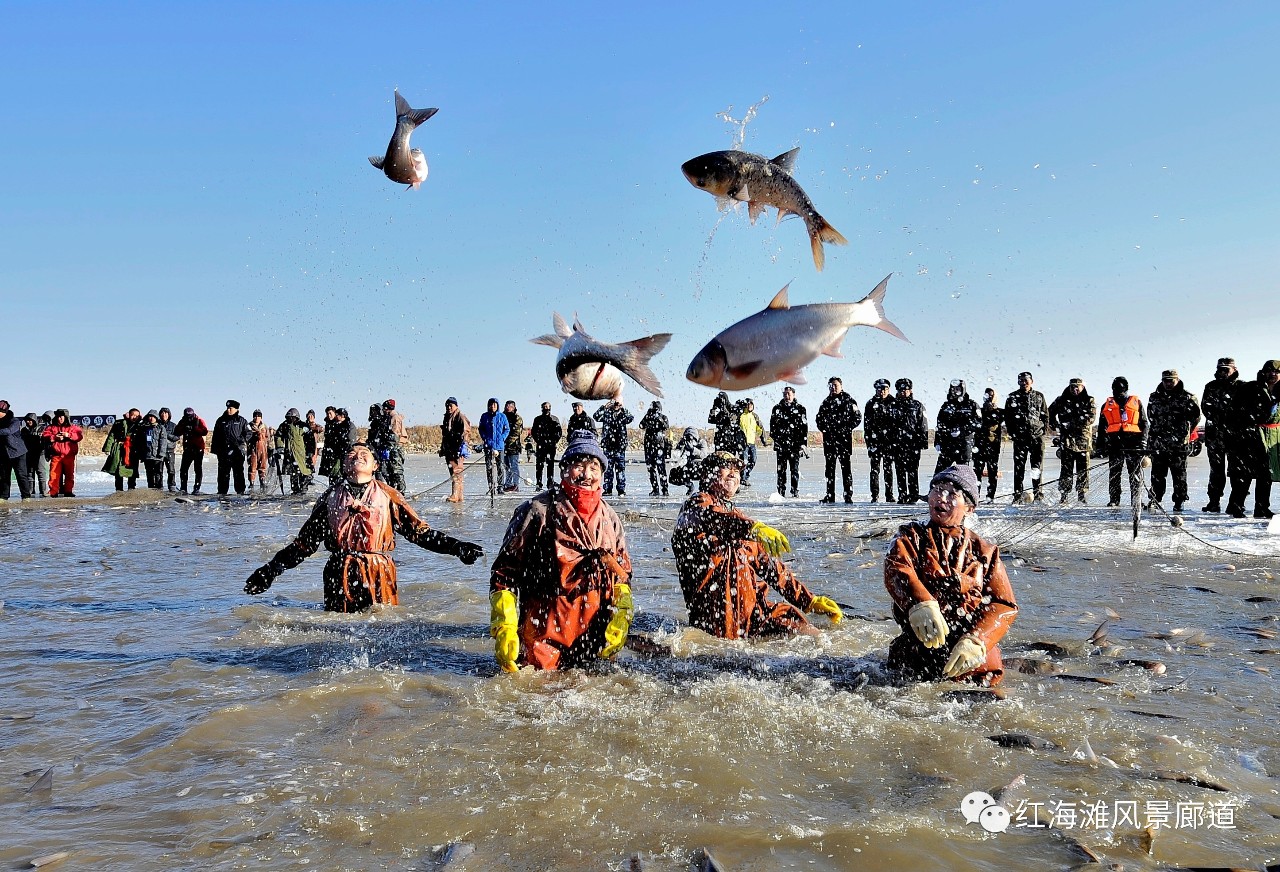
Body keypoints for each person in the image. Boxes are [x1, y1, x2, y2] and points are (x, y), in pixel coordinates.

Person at [244, 443, 483, 612]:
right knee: (337, 632)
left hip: (379, 573)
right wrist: (269, 571)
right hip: (340, 573)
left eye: (363, 452)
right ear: (344, 464)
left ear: (375, 464)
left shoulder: (389, 496)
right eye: (350, 453)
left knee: (383, 625)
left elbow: (420, 534)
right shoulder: (329, 499)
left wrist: (456, 547)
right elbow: (302, 546)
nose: (356, 454)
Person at [488, 430, 634, 671]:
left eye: (594, 467)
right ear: (564, 470)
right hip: (543, 636)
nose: (586, 475)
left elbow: (622, 574)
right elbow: (504, 574)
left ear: (602, 474)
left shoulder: (610, 517)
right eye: (578, 465)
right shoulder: (537, 511)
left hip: (594, 635)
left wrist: (623, 612)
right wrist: (504, 624)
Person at [672, 451, 843, 638]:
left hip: (754, 615)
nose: (733, 473)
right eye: (726, 467)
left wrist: (808, 600)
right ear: (706, 474)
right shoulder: (695, 506)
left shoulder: (738, 517)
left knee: (811, 634)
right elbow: (713, 518)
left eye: (737, 470)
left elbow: (770, 566)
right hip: (716, 618)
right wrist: (751, 527)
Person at [884, 465, 1018, 687]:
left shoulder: (985, 551)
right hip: (917, 650)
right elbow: (896, 567)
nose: (941, 498)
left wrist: (978, 640)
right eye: (937, 489)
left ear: (970, 508)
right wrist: (920, 603)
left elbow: (1004, 604)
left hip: (968, 659)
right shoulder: (910, 537)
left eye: (952, 494)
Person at [1226, 360, 1280, 519]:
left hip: (1273, 435)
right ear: (1263, 372)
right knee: (1245, 472)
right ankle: (1237, 506)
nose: (1273, 374)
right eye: (1269, 371)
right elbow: (1234, 410)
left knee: (1266, 474)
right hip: (1250, 433)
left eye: (1276, 372)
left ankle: (1262, 508)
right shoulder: (1250, 388)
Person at [1146, 369, 1202, 513]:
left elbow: (1196, 417)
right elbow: (1151, 416)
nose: (1168, 383)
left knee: (1179, 475)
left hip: (1178, 445)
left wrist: (1184, 432)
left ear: (1177, 380)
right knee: (1157, 475)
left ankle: (1179, 501)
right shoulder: (1154, 397)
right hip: (1159, 443)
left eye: (1171, 380)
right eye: (1166, 380)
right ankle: (1155, 499)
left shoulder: (1187, 397)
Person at [1094, 377, 1148, 508]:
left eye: (1121, 390)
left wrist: (1143, 440)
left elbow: (1144, 423)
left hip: (1133, 443)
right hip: (1115, 444)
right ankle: (1114, 499)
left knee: (1135, 473)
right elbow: (1102, 428)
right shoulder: (1107, 405)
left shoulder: (1137, 403)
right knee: (1114, 473)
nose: (1119, 392)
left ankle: (1136, 499)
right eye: (1116, 389)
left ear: (1126, 389)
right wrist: (1100, 446)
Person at [1200, 358, 1243, 513]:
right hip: (1215, 436)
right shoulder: (1210, 387)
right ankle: (1214, 501)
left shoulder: (1241, 387)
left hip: (1235, 437)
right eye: (1220, 369)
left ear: (1234, 369)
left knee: (1236, 471)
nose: (1223, 372)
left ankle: (1235, 503)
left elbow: (1244, 409)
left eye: (1226, 369)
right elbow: (1205, 407)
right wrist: (1221, 417)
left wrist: (1232, 419)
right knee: (1216, 471)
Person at [1003, 372, 1050, 504]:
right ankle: (1017, 496)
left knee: (1037, 467)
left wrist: (1042, 432)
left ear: (1032, 381)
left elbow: (1045, 415)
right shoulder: (1012, 397)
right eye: (1021, 381)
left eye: (1026, 380)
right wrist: (1014, 433)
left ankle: (1038, 495)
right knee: (1019, 468)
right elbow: (1008, 417)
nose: (1023, 383)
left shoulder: (1039, 396)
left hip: (1036, 437)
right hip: (1020, 438)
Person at [1048, 379, 1096, 504]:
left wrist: (1073, 423)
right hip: (1067, 440)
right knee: (1066, 469)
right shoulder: (1061, 399)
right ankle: (1064, 494)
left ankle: (1082, 493)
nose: (1075, 389)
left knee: (1083, 469)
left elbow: (1091, 417)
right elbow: (1049, 412)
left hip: (1083, 441)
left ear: (1082, 387)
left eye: (1078, 387)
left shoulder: (1089, 400)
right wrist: (1055, 425)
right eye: (1073, 387)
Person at [816, 376, 861, 503]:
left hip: (844, 442)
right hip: (829, 442)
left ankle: (848, 495)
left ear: (841, 386)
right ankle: (830, 495)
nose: (833, 388)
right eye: (831, 385)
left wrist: (846, 428)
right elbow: (818, 419)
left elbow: (857, 417)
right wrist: (825, 429)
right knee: (829, 470)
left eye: (835, 385)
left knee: (846, 469)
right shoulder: (826, 402)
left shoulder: (848, 400)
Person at [892, 378, 928, 503]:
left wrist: (923, 442)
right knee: (900, 471)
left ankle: (913, 495)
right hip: (898, 444)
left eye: (906, 390)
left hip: (913, 444)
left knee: (913, 471)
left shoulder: (917, 405)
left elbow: (923, 424)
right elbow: (888, 425)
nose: (903, 392)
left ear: (910, 390)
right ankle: (902, 495)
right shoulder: (893, 406)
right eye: (901, 390)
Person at [769, 386, 808, 498]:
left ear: (793, 395)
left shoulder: (800, 409)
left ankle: (794, 491)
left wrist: (803, 444)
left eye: (789, 394)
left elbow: (804, 428)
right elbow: (772, 427)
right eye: (785, 394)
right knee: (781, 470)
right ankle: (781, 491)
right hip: (781, 445)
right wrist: (776, 440)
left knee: (794, 470)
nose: (787, 396)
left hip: (795, 445)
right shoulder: (777, 408)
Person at [933, 379, 979, 473]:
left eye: (957, 389)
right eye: (953, 389)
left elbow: (977, 423)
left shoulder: (972, 405)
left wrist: (961, 431)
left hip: (964, 445)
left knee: (962, 476)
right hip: (947, 446)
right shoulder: (946, 406)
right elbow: (939, 424)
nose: (955, 391)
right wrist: (937, 441)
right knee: (939, 474)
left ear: (963, 390)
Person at [863, 379, 897, 504]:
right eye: (880, 389)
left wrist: (894, 442)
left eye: (885, 389)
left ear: (888, 389)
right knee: (875, 470)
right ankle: (875, 495)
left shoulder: (894, 403)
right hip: (875, 442)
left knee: (888, 469)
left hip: (889, 443)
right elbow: (866, 426)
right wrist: (869, 444)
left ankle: (889, 495)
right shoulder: (871, 404)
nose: (882, 391)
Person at [593, 398, 633, 496]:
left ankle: (621, 489)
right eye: (614, 403)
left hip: (620, 447)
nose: (615, 405)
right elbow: (596, 416)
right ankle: (608, 489)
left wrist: (622, 407)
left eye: (617, 403)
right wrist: (604, 407)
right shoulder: (607, 413)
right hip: (608, 446)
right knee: (608, 469)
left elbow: (630, 418)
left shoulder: (623, 414)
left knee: (620, 469)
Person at [211, 400, 252, 496]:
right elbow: (215, 435)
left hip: (237, 452)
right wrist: (215, 449)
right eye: (227, 408)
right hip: (223, 452)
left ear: (236, 409)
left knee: (238, 472)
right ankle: (222, 492)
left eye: (231, 408)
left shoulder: (242, 421)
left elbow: (249, 433)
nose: (228, 410)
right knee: (223, 473)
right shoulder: (221, 420)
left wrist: (241, 441)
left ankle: (240, 491)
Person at [972, 388, 1003, 503]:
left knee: (992, 472)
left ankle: (990, 496)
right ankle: (976, 495)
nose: (989, 398)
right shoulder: (978, 411)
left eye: (991, 396)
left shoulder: (999, 412)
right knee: (977, 473)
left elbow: (1011, 420)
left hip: (993, 447)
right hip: (979, 446)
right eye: (987, 395)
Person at [274, 408, 314, 494]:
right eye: (288, 417)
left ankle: (303, 488)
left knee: (304, 472)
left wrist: (310, 451)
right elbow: (278, 436)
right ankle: (295, 489)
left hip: (302, 454)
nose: (289, 419)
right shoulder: (284, 425)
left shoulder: (303, 426)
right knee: (293, 473)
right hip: (290, 453)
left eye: (291, 417)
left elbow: (310, 439)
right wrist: (280, 447)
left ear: (296, 417)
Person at [43, 409, 82, 497]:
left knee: (69, 474)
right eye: (58, 417)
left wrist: (68, 435)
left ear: (66, 417)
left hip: (69, 455)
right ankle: (53, 491)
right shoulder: (52, 427)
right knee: (54, 474)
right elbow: (45, 435)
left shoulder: (73, 427)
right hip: (56, 455)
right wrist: (55, 437)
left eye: (61, 417)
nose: (59, 418)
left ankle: (68, 491)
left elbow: (79, 436)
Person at [439, 397, 471, 503]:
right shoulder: (447, 417)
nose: (448, 407)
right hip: (450, 449)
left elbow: (466, 430)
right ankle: (459, 495)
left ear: (456, 406)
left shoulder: (460, 416)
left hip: (457, 449)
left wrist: (464, 444)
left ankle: (455, 494)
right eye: (447, 405)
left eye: (450, 405)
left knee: (456, 472)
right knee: (454, 472)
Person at [102, 408, 142, 491]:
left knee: (131, 470)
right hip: (119, 449)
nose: (134, 417)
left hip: (133, 450)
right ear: (129, 414)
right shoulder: (119, 423)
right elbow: (111, 435)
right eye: (133, 415)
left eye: (137, 416)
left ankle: (131, 489)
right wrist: (107, 448)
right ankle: (119, 490)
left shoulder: (140, 425)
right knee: (118, 469)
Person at [478, 398, 509, 498]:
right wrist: (485, 439)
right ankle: (491, 486)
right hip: (488, 446)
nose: (493, 407)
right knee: (489, 467)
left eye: (494, 405)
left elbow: (507, 429)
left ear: (497, 406)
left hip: (499, 446)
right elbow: (481, 429)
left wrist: (502, 438)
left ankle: (500, 486)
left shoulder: (502, 416)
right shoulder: (484, 416)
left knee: (500, 467)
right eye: (491, 405)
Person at [639, 400, 671, 496]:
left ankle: (665, 489)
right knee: (651, 469)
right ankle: (655, 489)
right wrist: (648, 415)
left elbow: (666, 426)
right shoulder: (648, 416)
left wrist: (659, 419)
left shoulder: (663, 417)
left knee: (661, 469)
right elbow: (641, 425)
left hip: (659, 446)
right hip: (649, 446)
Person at [173, 407, 209, 494]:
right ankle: (183, 488)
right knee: (184, 469)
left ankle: (197, 487)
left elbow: (205, 431)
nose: (189, 418)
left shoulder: (199, 420)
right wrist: (184, 426)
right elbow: (177, 431)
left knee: (198, 468)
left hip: (198, 448)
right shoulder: (183, 421)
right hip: (187, 448)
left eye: (190, 416)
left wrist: (195, 428)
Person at [530, 401, 563, 489]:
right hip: (541, 445)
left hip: (551, 446)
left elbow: (559, 432)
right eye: (544, 406)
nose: (546, 408)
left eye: (548, 406)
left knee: (550, 465)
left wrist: (554, 441)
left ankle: (550, 482)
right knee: (539, 465)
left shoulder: (554, 419)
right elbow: (533, 432)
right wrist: (539, 441)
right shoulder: (537, 419)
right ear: (542, 408)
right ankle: (539, 483)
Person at [737, 398, 767, 487]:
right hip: (743, 444)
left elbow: (760, 428)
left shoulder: (755, 416)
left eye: (751, 405)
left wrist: (763, 440)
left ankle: (745, 476)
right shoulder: (740, 415)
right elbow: (734, 428)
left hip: (752, 443)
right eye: (748, 404)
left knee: (753, 460)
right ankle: (743, 478)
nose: (750, 406)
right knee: (744, 462)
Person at [671, 426, 710, 494]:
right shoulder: (684, 442)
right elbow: (676, 455)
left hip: (700, 467)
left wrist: (692, 449)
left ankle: (703, 490)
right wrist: (680, 445)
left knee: (708, 473)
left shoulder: (701, 442)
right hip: (688, 467)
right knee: (673, 474)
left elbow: (703, 455)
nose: (690, 439)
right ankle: (689, 485)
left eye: (691, 437)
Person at [381, 399, 409, 492]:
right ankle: (394, 490)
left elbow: (395, 435)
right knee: (389, 471)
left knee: (396, 471)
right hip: (391, 448)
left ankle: (401, 492)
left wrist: (389, 445)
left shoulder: (394, 418)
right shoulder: (389, 418)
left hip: (395, 448)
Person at [707, 391, 745, 460]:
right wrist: (713, 408)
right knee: (718, 462)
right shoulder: (719, 414)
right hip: (719, 441)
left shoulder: (733, 409)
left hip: (730, 442)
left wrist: (724, 408)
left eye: (721, 399)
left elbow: (731, 420)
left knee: (729, 462)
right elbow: (711, 420)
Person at [138, 410, 167, 489]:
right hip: (148, 455)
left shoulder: (160, 427)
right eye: (149, 417)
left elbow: (163, 441)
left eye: (153, 417)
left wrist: (161, 453)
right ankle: (151, 488)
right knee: (149, 473)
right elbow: (141, 442)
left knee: (158, 473)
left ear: (156, 418)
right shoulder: (144, 428)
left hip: (158, 456)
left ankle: (159, 488)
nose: (151, 418)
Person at [247, 409, 274, 492]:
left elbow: (269, 438)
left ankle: (262, 481)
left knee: (262, 466)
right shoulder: (249, 426)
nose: (257, 417)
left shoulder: (264, 426)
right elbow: (247, 437)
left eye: (258, 416)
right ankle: (251, 483)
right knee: (252, 467)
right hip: (253, 449)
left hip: (263, 448)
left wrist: (270, 448)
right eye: (255, 416)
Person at [20, 414, 47, 497]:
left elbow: (46, 441)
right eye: (27, 420)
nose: (29, 422)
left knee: (41, 472)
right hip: (29, 453)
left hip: (40, 453)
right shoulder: (24, 430)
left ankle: (43, 491)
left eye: (30, 420)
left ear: (34, 420)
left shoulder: (41, 429)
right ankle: (31, 491)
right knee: (30, 473)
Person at [502, 400, 525, 493]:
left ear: (514, 407)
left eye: (511, 406)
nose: (508, 407)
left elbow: (517, 432)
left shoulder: (517, 418)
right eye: (507, 406)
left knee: (514, 466)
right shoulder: (502, 417)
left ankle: (515, 484)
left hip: (513, 446)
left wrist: (507, 441)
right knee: (506, 466)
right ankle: (508, 484)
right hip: (503, 446)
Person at [157, 408, 179, 492]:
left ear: (169, 415)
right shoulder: (157, 424)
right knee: (159, 470)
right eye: (162, 413)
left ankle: (172, 485)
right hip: (159, 450)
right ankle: (159, 486)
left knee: (171, 469)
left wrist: (166, 434)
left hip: (169, 450)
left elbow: (176, 437)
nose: (164, 415)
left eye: (166, 413)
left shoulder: (173, 425)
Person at [304, 410, 323, 476]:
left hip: (313, 446)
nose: (310, 417)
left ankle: (310, 476)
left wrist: (312, 424)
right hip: (305, 446)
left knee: (312, 461)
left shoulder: (316, 426)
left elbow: (320, 429)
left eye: (312, 416)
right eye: (309, 415)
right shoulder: (304, 425)